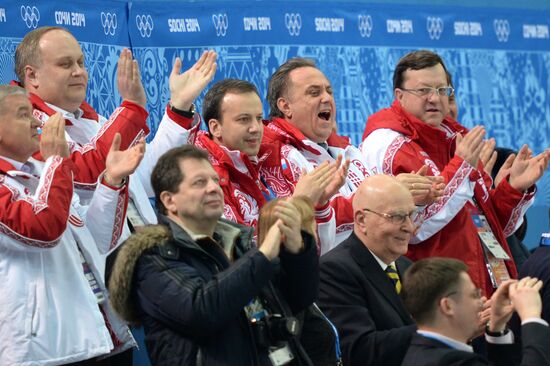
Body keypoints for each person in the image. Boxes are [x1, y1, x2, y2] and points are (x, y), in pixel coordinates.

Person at [362, 49, 550, 296]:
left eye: (442, 90)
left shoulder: (453, 137)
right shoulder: (387, 144)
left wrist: (513, 189)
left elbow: (489, 226)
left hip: (486, 287)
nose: (434, 98)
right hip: (439, 296)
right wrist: (461, 167)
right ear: (399, 96)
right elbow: (414, 227)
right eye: (423, 90)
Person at [108, 145, 319, 365]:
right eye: (200, 182)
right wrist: (263, 254)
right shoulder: (152, 258)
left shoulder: (238, 242)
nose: (213, 188)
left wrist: (297, 250)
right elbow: (200, 310)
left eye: (216, 181)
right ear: (170, 201)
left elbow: (299, 299)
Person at [14, 26, 217, 239]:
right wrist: (133, 109)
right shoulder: (25, 126)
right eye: (65, 64)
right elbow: (82, 177)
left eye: (81, 63)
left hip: (144, 250)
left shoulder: (94, 121)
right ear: (32, 75)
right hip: (97, 263)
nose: (78, 72)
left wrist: (179, 106)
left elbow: (151, 173)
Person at [0, 85, 145, 364]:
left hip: (96, 336)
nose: (35, 122)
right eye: (22, 115)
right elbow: (43, 228)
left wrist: (112, 181)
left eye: (32, 113)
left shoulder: (43, 172)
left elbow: (99, 239)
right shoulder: (49, 170)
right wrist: (57, 160)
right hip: (42, 352)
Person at [264, 57, 444, 245]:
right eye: (314, 93)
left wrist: (413, 201)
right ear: (285, 106)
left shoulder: (348, 151)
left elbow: (396, 230)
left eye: (329, 91)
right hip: (329, 270)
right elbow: (303, 229)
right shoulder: (277, 158)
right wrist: (385, 196)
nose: (326, 98)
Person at [174, 77, 348, 253]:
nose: (256, 128)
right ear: (215, 127)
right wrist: (299, 204)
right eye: (243, 119)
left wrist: (318, 205)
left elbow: (317, 252)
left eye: (258, 118)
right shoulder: (205, 178)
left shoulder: (271, 159)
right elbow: (240, 258)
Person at [318, 175, 418, 366]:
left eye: (410, 215)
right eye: (397, 217)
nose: (409, 227)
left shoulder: (407, 267)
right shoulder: (334, 271)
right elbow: (359, 350)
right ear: (362, 220)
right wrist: (436, 329)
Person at [401, 257, 550, 366]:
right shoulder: (451, 361)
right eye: (474, 295)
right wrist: (531, 317)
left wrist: (496, 327)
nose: (482, 302)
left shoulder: (423, 352)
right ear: (448, 306)